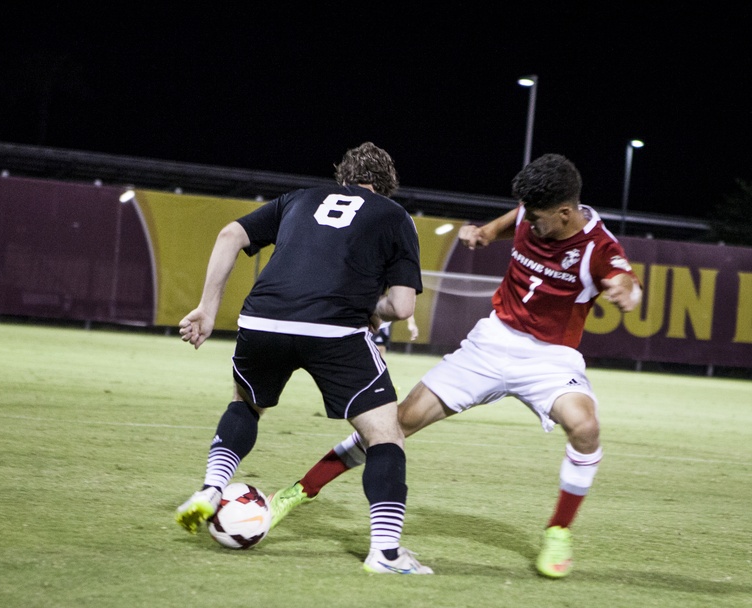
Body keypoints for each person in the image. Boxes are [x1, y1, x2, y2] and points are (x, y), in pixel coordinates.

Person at [267, 153, 643, 579]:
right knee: (393, 425)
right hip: (490, 343)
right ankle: (299, 490)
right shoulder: (529, 213)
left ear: (565, 212)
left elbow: (624, 280)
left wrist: (627, 293)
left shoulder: (599, 248)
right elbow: (513, 218)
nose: (530, 224)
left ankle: (558, 529)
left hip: (549, 359)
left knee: (586, 429)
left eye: (539, 219)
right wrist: (484, 233)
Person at [174, 142, 431, 574]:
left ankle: (212, 487)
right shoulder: (394, 216)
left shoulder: (299, 198)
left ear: (343, 178)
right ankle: (385, 552)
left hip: (261, 322)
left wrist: (206, 308)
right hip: (333, 330)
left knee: (246, 405)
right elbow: (402, 307)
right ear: (385, 188)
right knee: (385, 436)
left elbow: (229, 235)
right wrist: (374, 311)